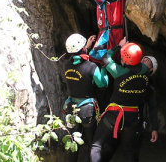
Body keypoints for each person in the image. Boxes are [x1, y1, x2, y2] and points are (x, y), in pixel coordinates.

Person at [90, 37, 150, 162]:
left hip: (115, 114)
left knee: (97, 145)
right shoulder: (146, 72)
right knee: (129, 151)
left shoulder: (120, 72)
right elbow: (139, 65)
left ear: (126, 59)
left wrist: (119, 45)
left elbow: (105, 59)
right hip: (132, 116)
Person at [100, 56, 159, 161]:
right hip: (118, 117)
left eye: (148, 61)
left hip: (134, 121)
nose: (144, 61)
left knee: (131, 153)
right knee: (108, 148)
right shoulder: (128, 73)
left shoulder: (149, 87)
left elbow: (152, 108)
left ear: (151, 69)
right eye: (143, 59)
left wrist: (155, 128)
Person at [63, 33, 109, 162]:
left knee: (73, 143)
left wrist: (86, 48)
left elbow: (78, 60)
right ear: (82, 48)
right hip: (86, 110)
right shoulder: (92, 66)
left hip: (70, 109)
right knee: (93, 144)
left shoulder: (66, 64)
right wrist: (104, 68)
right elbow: (103, 84)